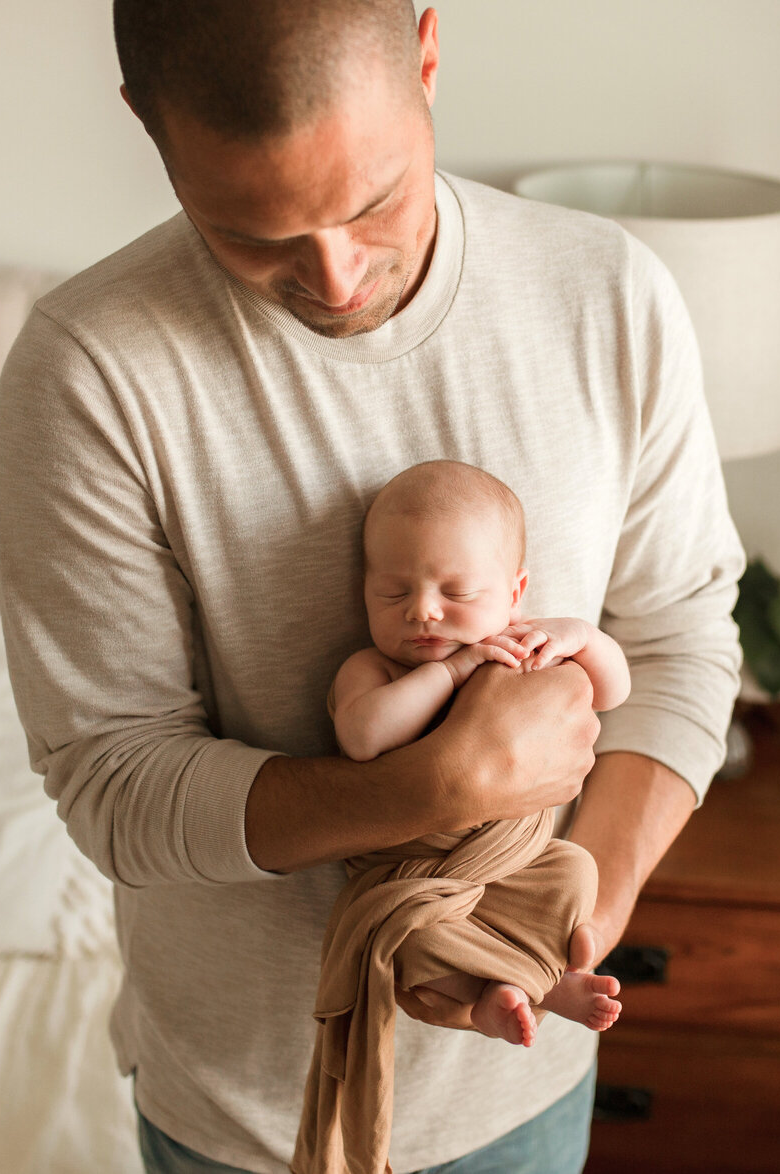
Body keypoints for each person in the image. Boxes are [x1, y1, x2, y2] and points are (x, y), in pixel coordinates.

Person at [0, 1, 746, 1172]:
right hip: (244, 1111)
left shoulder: (608, 296)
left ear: (428, 55)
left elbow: (681, 634)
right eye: (250, 234)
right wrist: (431, 790)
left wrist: (556, 924)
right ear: (145, 123)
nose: (334, 280)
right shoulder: (89, 375)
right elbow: (115, 781)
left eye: (372, 199)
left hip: (523, 1077)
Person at [296, 459, 625, 1173]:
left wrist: (579, 639)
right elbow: (363, 736)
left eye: (457, 592)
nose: (422, 611)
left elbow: (612, 690)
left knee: (573, 870)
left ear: (515, 594)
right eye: (394, 592)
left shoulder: (523, 650)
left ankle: (542, 979)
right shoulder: (373, 673)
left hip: (508, 861)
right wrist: (448, 672)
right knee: (410, 941)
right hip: (415, 875)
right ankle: (490, 999)